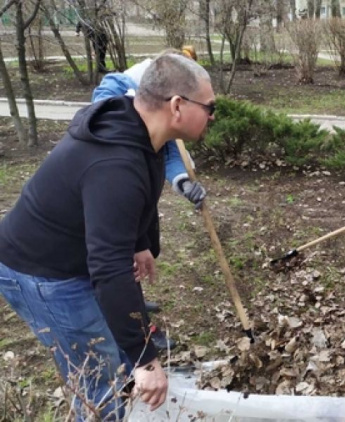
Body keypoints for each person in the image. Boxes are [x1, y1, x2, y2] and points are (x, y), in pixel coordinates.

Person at [0, 53, 216, 419]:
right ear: (177, 106)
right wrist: (147, 362)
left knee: (112, 360)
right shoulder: (115, 165)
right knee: (99, 382)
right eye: (210, 107)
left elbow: (137, 198)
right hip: (41, 273)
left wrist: (140, 244)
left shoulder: (143, 131)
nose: (213, 115)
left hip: (69, 257)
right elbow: (110, 270)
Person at [91, 46, 207, 351]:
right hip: (109, 203)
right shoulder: (120, 94)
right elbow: (106, 105)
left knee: (140, 251)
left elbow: (171, 153)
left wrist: (183, 181)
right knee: (117, 265)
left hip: (137, 202)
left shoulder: (164, 112)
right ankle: (138, 332)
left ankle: (135, 303)